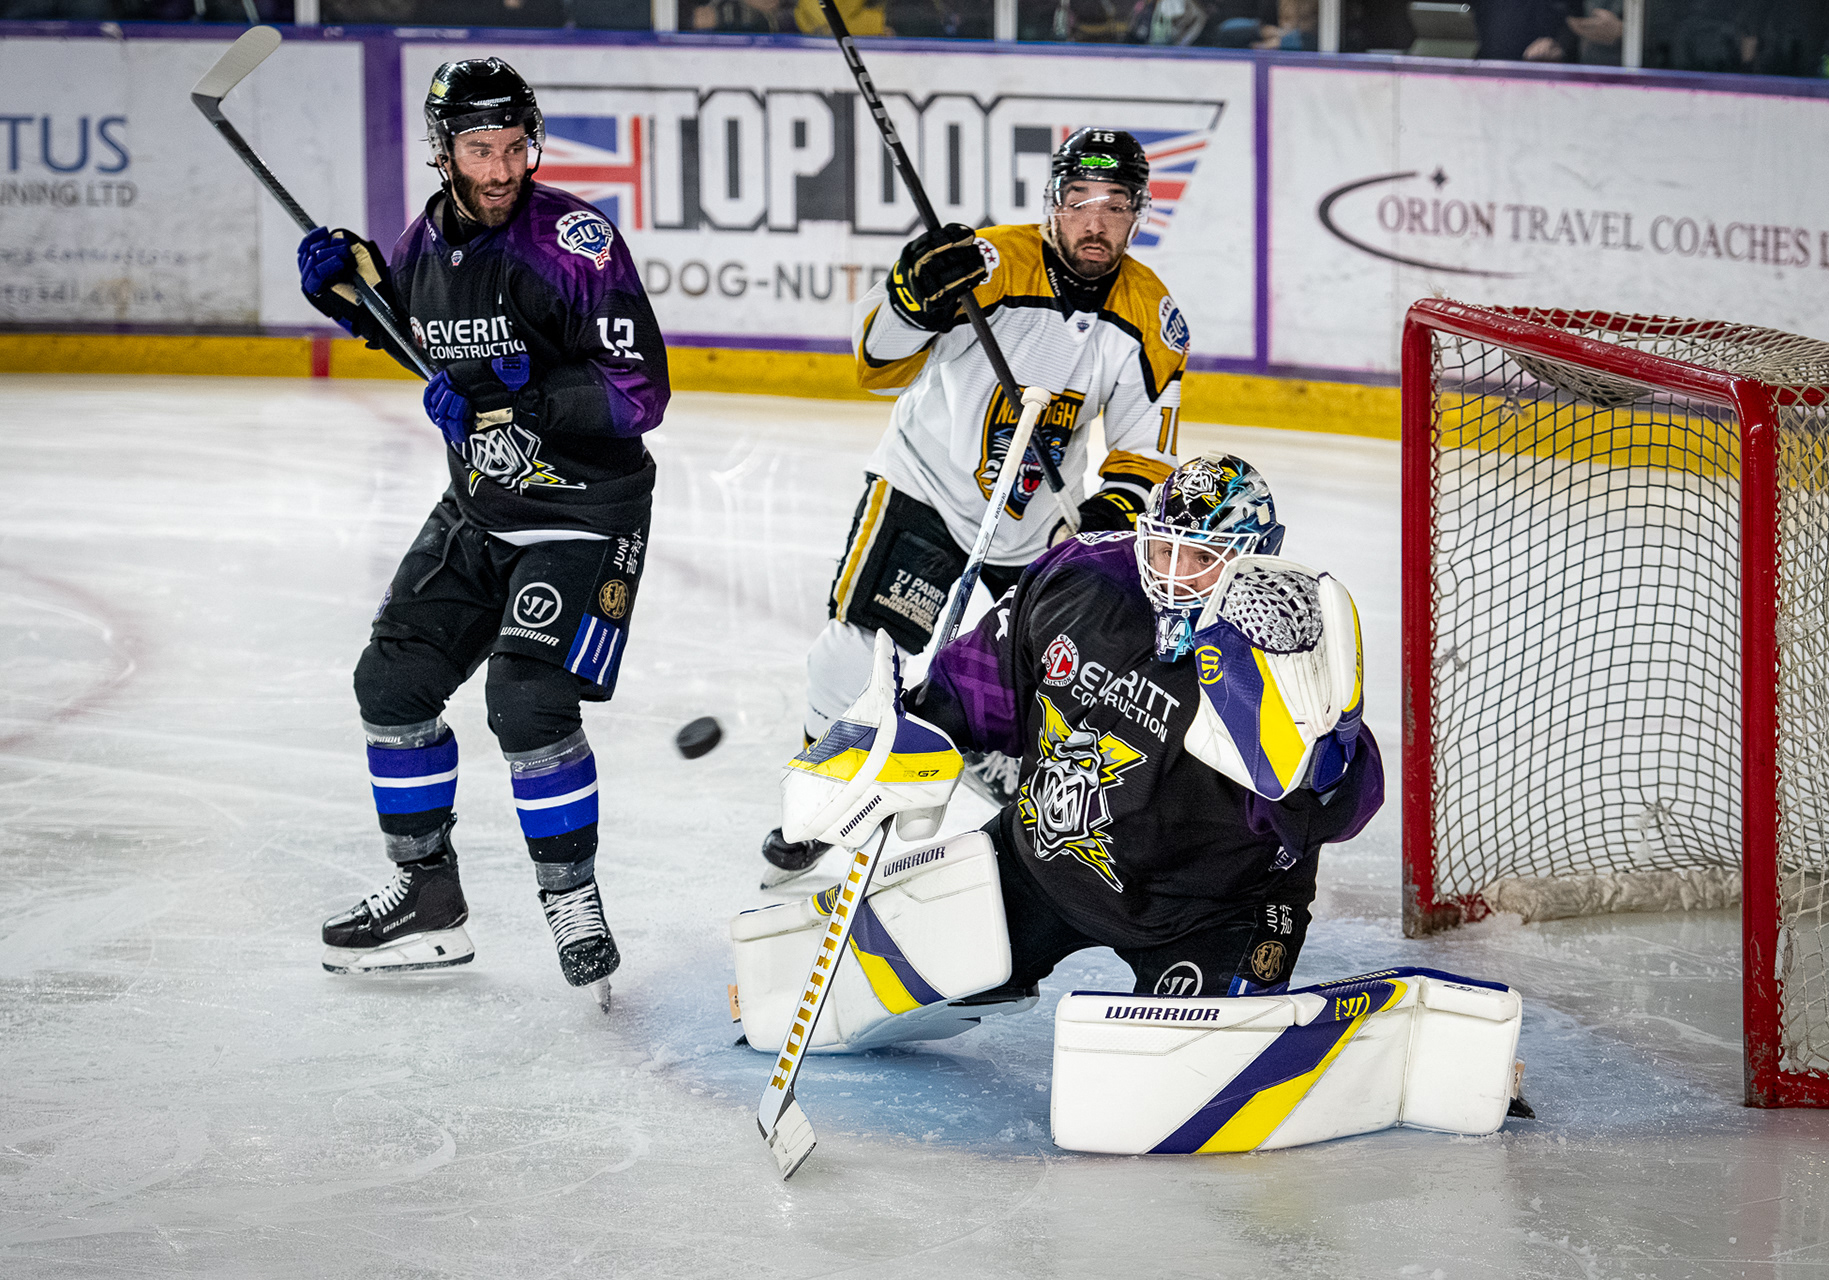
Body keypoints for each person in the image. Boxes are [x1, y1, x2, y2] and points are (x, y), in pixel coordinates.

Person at [295, 58, 669, 1000]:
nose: (501, 170)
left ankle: (572, 900)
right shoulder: (425, 241)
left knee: (526, 697)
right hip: (480, 508)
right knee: (392, 683)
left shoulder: (573, 243)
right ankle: (429, 898)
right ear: (443, 152)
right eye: (479, 150)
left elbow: (641, 391)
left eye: (513, 147)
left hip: (584, 516)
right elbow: (419, 341)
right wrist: (350, 294)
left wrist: (520, 405)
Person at [761, 127, 1187, 887]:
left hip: (1036, 525)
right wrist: (909, 299)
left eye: (1115, 205)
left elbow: (1144, 449)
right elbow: (873, 361)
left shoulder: (1150, 316)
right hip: (925, 487)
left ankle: (1019, 790)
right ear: (1053, 204)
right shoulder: (988, 263)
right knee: (855, 651)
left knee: (1058, 676)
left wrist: (1111, 512)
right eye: (1080, 201)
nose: (1095, 222)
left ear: (1138, 214)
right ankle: (820, 804)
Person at [897, 453, 1383, 998]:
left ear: (1256, 555)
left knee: (1194, 1054)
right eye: (1164, 549)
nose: (1175, 577)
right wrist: (907, 734)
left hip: (1214, 909)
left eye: (1202, 557)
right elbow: (978, 685)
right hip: (1045, 861)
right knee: (894, 971)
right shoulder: (1086, 575)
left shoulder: (1287, 642)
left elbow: (1342, 805)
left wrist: (1323, 771)